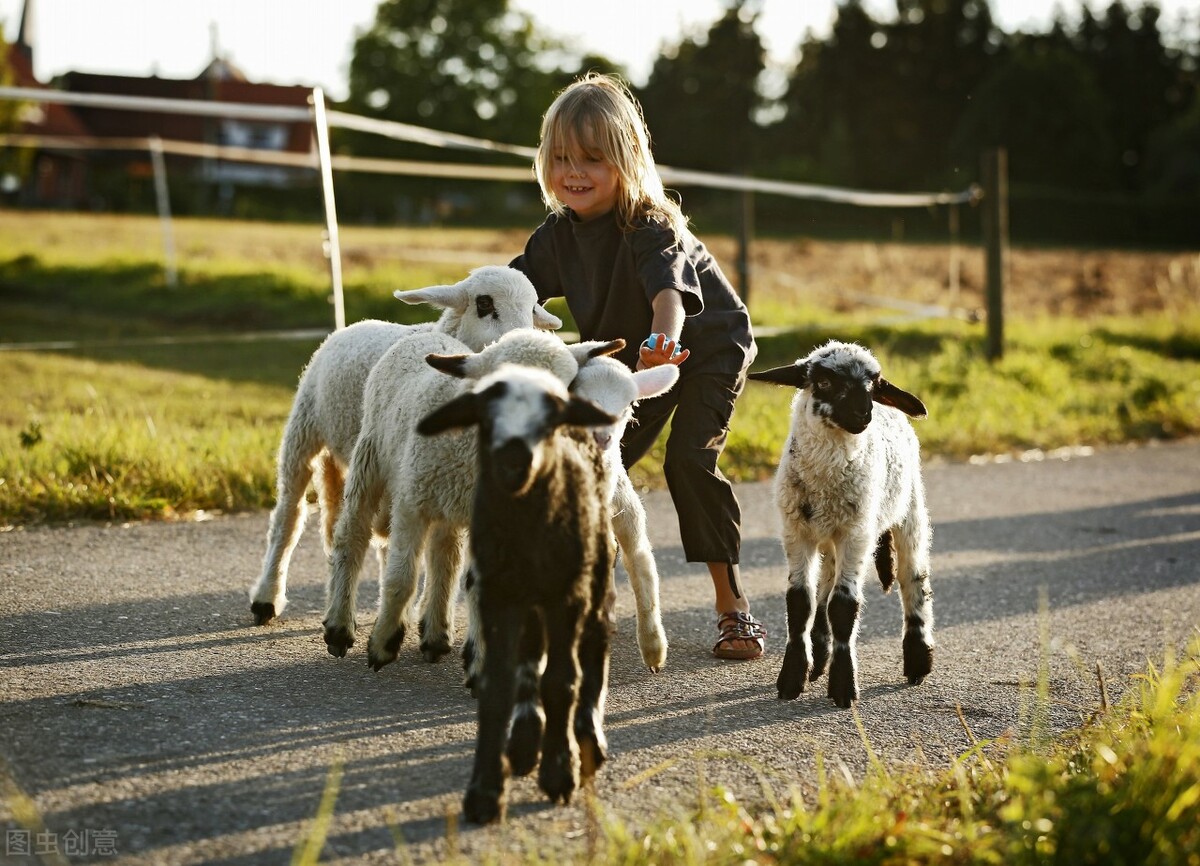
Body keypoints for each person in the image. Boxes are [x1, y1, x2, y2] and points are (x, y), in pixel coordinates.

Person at [509, 72, 764, 661]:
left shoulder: (650, 224)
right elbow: (512, 294)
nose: (574, 172)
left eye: (592, 159)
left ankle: (733, 609)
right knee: (592, 461)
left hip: (703, 349)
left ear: (626, 159)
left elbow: (669, 297)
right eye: (562, 158)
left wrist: (662, 344)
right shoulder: (555, 236)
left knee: (688, 460)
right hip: (629, 360)